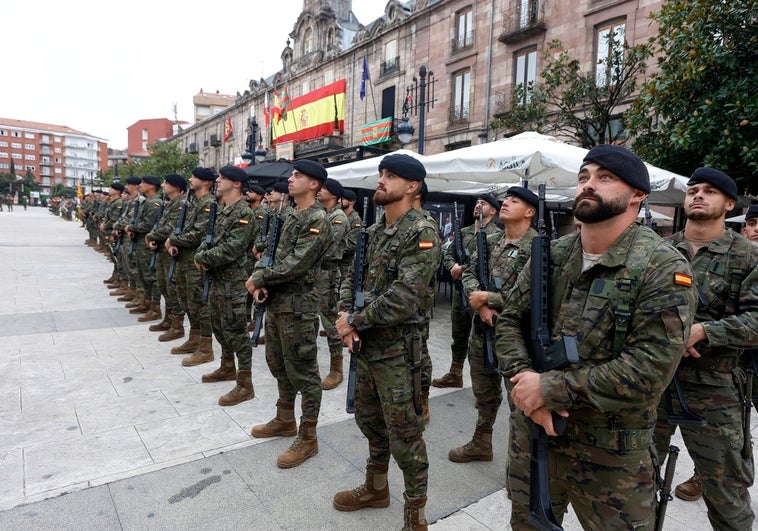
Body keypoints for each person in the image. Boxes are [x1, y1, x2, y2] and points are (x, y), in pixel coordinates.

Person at [497, 144, 697, 529]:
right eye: (584, 177)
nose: (589, 185)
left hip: (611, 459)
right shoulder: (551, 254)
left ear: (638, 194)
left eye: (605, 178)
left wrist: (551, 389)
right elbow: (509, 321)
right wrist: (527, 385)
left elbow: (649, 370)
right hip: (534, 437)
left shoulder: (662, 266)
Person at [333, 153, 440, 531]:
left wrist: (354, 321)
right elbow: (351, 278)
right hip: (366, 347)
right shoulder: (375, 232)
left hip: (400, 355)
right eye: (381, 173)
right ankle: (376, 488)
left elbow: (405, 297)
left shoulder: (422, 231)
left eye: (390, 175)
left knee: (406, 436)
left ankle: (416, 516)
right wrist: (346, 316)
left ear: (412, 187)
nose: (381, 180)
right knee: (370, 422)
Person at [654, 167, 758, 530]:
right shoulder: (658, 251)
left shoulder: (748, 256)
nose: (698, 195)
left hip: (714, 387)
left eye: (709, 191)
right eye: (693, 189)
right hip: (653, 379)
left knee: (726, 492)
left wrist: (703, 332)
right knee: (633, 482)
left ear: (729, 204)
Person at [246, 159, 330, 469]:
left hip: (299, 309)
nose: (291, 179)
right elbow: (269, 253)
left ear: (313, 184)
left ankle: (308, 436)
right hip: (277, 304)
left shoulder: (317, 219)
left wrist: (260, 279)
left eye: (298, 175)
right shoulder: (289, 214)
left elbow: (297, 262)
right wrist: (259, 277)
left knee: (304, 373)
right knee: (278, 363)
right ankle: (284, 419)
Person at [448, 188, 537, 469]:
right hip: (483, 329)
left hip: (518, 337)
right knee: (484, 391)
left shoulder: (538, 247)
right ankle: (482, 442)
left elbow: (534, 293)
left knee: (520, 402)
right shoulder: (490, 240)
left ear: (530, 212)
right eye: (506, 199)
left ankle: (521, 466)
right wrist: (481, 304)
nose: (506, 203)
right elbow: (471, 272)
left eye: (514, 201)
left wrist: (491, 298)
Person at [194, 165, 255, 406]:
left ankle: (245, 383)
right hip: (216, 280)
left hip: (233, 282)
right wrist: (201, 253)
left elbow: (232, 248)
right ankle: (227, 366)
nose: (218, 180)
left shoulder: (244, 213)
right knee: (218, 326)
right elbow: (206, 240)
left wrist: (202, 258)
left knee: (237, 332)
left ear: (237, 184)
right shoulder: (221, 210)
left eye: (222, 178)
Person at [433, 195, 501, 389]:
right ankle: (455, 373)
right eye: (477, 203)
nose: (479, 206)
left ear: (494, 210)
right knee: (459, 334)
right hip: (459, 291)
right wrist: (452, 265)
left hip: (481, 293)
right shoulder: (464, 232)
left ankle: (483, 387)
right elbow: (448, 253)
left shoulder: (496, 235)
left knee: (480, 339)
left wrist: (461, 269)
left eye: (484, 203)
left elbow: (488, 263)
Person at [167, 168, 216, 355]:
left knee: (200, 303)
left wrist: (173, 241)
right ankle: (194, 338)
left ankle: (205, 346)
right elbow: (181, 228)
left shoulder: (209, 204)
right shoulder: (193, 202)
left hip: (196, 262)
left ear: (205, 182)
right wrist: (173, 239)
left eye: (194, 177)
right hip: (184, 259)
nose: (190, 179)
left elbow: (198, 234)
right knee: (187, 302)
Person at [316, 177, 349, 390]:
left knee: (330, 321)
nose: (319, 191)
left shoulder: (338, 218)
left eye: (324, 189)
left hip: (328, 274)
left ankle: (337, 369)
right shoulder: (324, 215)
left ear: (335, 196)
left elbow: (324, 246)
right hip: (317, 273)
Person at [145, 174, 186, 331]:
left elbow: (169, 228)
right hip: (162, 252)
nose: (163, 185)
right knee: (164, 286)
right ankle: (168, 320)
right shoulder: (170, 204)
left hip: (171, 254)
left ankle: (177, 325)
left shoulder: (180, 204)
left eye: (166, 183)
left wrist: (151, 236)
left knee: (172, 288)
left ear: (176, 187)